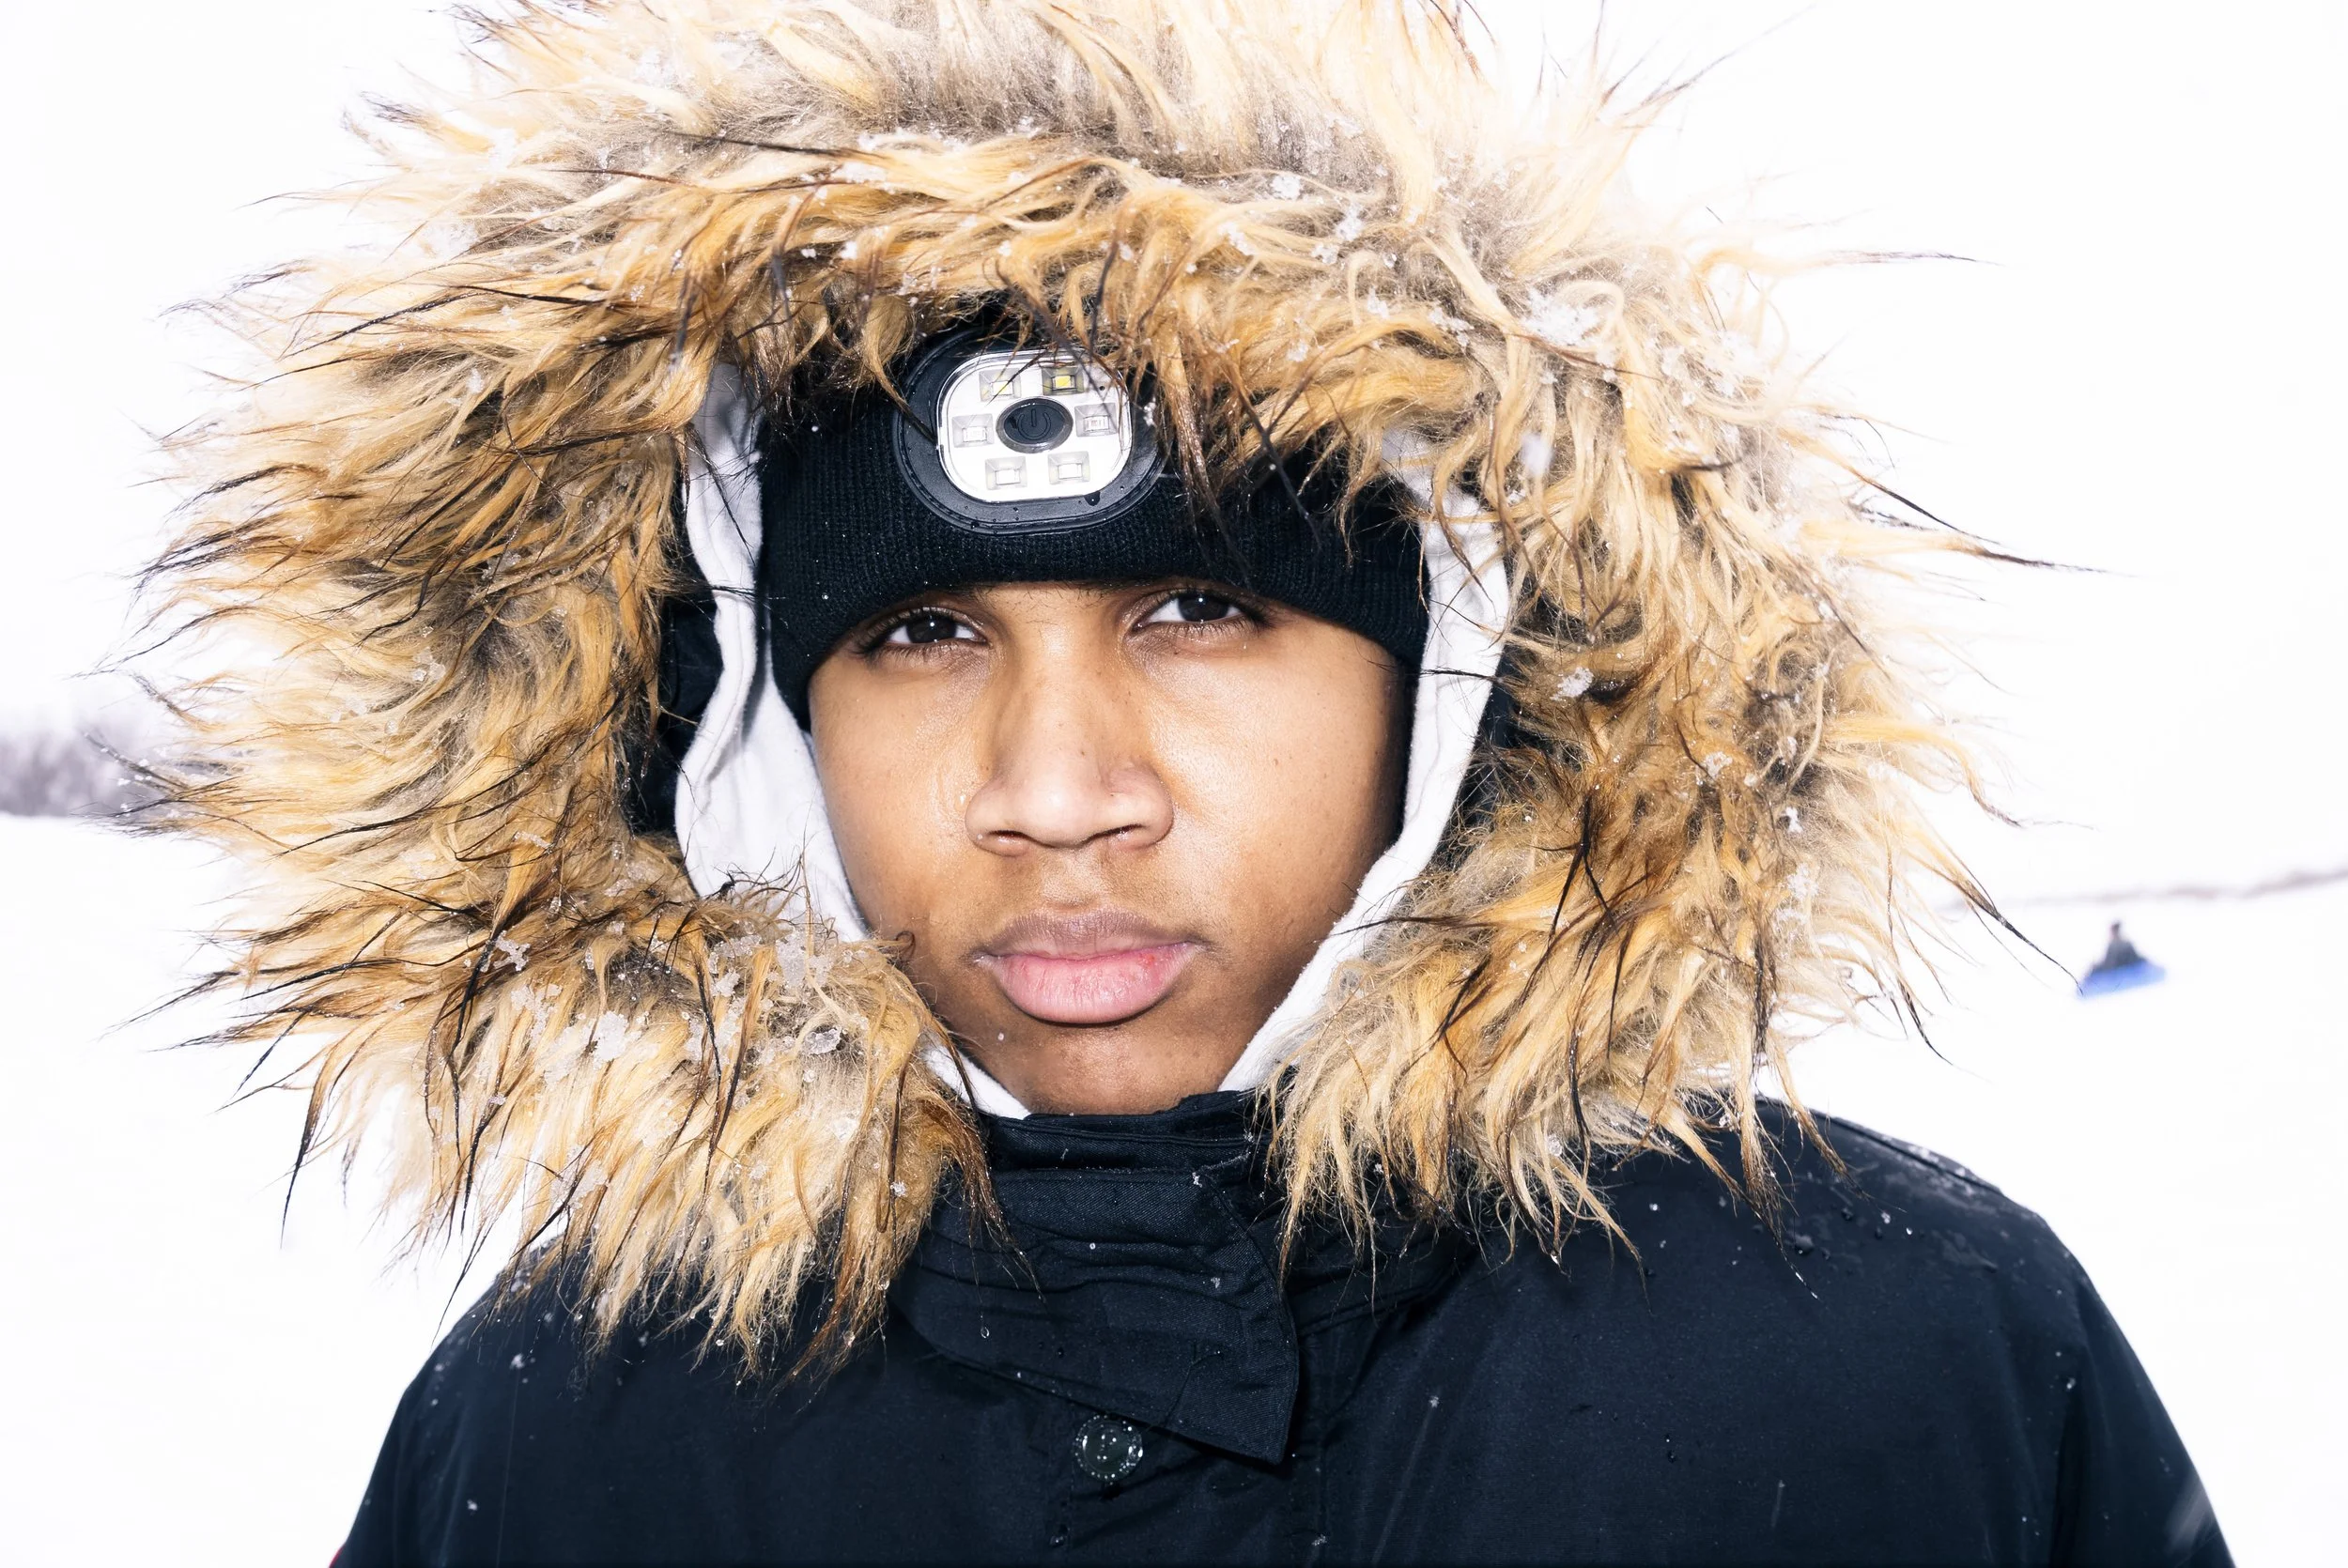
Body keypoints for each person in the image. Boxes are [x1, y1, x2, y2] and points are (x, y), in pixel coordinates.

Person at [150, 2, 2226, 1562]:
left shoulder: (1909, 1353)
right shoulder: (564, 1445)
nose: (1057, 790)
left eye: (1202, 613)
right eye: (921, 635)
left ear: (1455, 685)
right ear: (757, 734)